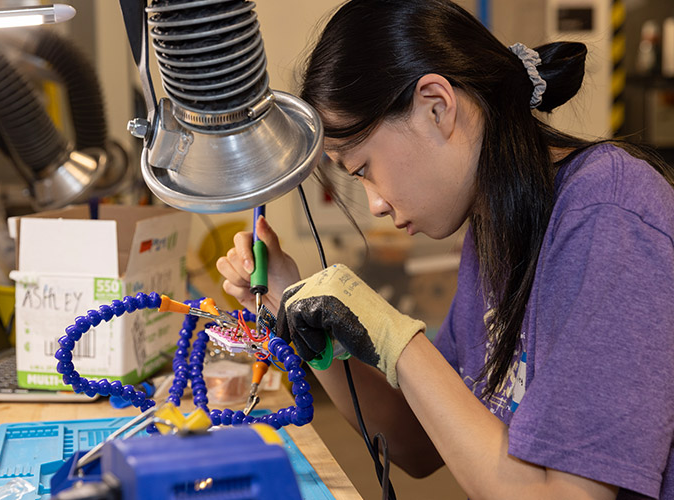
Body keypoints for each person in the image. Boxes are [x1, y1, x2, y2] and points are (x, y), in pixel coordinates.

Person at [217, 0, 674, 498]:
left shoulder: (609, 215)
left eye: (363, 168)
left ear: (437, 105)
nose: (373, 204)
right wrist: (299, 314)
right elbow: (417, 445)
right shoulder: (495, 227)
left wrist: (394, 336)